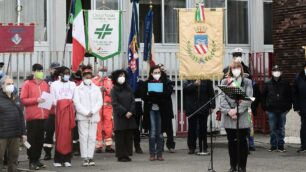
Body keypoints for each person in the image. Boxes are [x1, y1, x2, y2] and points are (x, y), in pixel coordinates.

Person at [220, 62, 253, 172]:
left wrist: (237, 112)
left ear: (241, 69)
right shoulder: (225, 81)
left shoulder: (247, 82)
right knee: (231, 143)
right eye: (233, 68)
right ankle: (233, 165)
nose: (236, 70)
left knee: (242, 143)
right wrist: (229, 111)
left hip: (242, 116)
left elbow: (247, 99)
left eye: (238, 68)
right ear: (230, 69)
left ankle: (242, 166)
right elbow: (222, 100)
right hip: (229, 116)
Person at [20, 64, 50, 170]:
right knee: (31, 141)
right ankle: (31, 160)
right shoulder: (27, 84)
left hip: (43, 117)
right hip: (32, 118)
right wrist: (36, 100)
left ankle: (37, 159)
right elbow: (23, 100)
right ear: (33, 72)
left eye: (42, 70)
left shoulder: (45, 84)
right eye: (38, 70)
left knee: (40, 140)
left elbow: (47, 98)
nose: (40, 72)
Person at [141, 65, 173, 161]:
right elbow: (144, 96)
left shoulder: (166, 82)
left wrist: (154, 95)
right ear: (151, 73)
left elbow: (167, 95)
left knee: (159, 132)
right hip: (151, 110)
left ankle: (159, 153)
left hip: (161, 110)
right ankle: (152, 153)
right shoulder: (146, 83)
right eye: (155, 72)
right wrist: (156, 97)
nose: (157, 74)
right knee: (152, 132)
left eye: (158, 72)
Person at [73, 65, 102, 167]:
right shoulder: (77, 89)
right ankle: (85, 157)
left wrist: (93, 111)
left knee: (92, 137)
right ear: (83, 78)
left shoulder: (96, 89)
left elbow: (100, 102)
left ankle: (90, 156)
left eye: (89, 77)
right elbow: (77, 103)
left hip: (93, 117)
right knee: (83, 137)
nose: (88, 79)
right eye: (86, 77)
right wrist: (86, 112)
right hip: (83, 117)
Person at [262, 65, 292, 152]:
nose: (277, 72)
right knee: (272, 128)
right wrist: (265, 108)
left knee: (281, 128)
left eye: (278, 70)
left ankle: (281, 145)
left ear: (281, 72)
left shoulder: (285, 83)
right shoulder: (267, 83)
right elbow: (263, 96)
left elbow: (290, 96)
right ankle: (274, 145)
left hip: (282, 110)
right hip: (271, 110)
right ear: (272, 72)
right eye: (275, 70)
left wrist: (288, 108)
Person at [50, 67, 76, 167]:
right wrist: (64, 102)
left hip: (70, 112)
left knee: (69, 135)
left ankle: (67, 159)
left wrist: (70, 104)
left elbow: (75, 98)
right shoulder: (54, 84)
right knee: (60, 135)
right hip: (60, 112)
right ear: (60, 75)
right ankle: (58, 159)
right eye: (65, 73)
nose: (67, 75)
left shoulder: (73, 84)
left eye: (68, 73)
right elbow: (53, 99)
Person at [0, 76, 26, 172]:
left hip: (15, 135)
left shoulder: (17, 99)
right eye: (8, 84)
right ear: (2, 86)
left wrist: (23, 133)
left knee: (13, 159)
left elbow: (21, 117)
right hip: (2, 136)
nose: (11, 86)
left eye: (12, 84)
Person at [111, 69, 137, 162]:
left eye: (123, 76)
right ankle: (121, 155)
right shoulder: (114, 89)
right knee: (120, 136)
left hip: (130, 115)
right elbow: (115, 103)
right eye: (120, 76)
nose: (122, 78)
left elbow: (133, 101)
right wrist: (125, 112)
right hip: (120, 116)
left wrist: (130, 111)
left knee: (128, 136)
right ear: (116, 78)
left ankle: (127, 154)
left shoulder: (128, 88)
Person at [183, 79, 215, 155]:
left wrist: (212, 106)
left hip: (203, 107)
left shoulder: (207, 80)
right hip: (191, 107)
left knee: (203, 128)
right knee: (192, 128)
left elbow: (211, 93)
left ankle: (203, 146)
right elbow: (185, 90)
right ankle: (192, 147)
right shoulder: (188, 79)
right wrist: (194, 84)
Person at [92, 67, 115, 153]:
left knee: (108, 126)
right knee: (98, 126)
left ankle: (108, 145)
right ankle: (99, 146)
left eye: (104, 71)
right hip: (97, 107)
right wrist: (99, 87)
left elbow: (113, 93)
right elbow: (91, 92)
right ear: (98, 71)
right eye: (101, 71)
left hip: (107, 107)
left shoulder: (110, 81)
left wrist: (106, 91)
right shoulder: (94, 80)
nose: (103, 73)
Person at [43, 62, 60, 160]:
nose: (56, 70)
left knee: (61, 133)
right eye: (54, 68)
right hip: (50, 112)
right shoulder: (46, 81)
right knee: (49, 133)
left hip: (60, 112)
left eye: (57, 69)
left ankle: (61, 152)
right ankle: (47, 153)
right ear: (50, 70)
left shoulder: (62, 80)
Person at [293, 63, 306, 153]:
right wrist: (296, 107)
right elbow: (295, 93)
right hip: (303, 107)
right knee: (304, 127)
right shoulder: (298, 77)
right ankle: (304, 145)